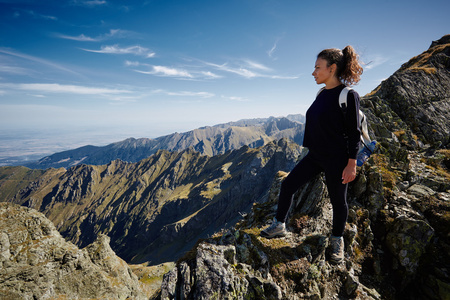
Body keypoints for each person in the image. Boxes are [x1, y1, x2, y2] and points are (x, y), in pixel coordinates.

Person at [260, 46, 363, 264]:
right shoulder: (321, 93)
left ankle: (337, 240)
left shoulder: (348, 95)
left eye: (318, 67)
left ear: (332, 68)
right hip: (316, 156)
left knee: (338, 201)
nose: (313, 72)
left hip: (337, 159)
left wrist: (351, 164)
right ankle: (279, 225)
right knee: (288, 185)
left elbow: (354, 133)